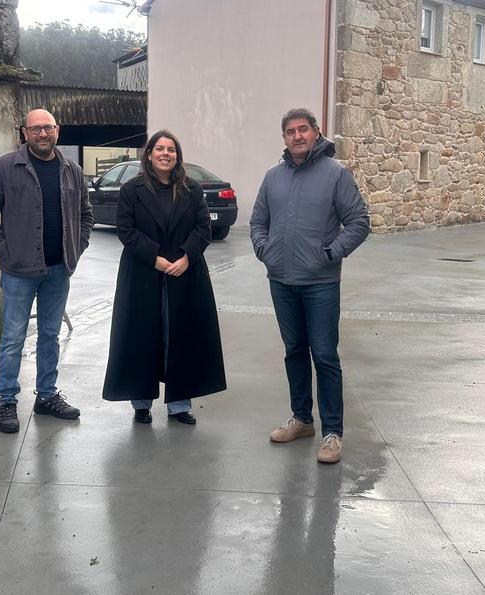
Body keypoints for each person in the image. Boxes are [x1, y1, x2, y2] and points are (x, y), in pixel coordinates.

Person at [250, 107, 370, 464]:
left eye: (304, 129)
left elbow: (359, 221)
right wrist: (264, 251)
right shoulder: (273, 177)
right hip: (281, 280)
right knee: (294, 351)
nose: (297, 136)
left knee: (325, 355)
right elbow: (258, 221)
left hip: (320, 282)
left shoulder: (336, 175)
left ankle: (333, 432)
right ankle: (301, 419)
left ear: (316, 133)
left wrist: (330, 253)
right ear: (284, 138)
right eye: (290, 131)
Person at [0, 108, 94, 433]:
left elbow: (86, 213)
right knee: (13, 339)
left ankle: (47, 396)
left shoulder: (72, 170)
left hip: (58, 270)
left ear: (58, 131)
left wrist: (76, 248)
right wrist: (4, 248)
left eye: (48, 128)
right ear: (24, 132)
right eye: (36, 129)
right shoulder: (5, 168)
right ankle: (7, 401)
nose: (43, 134)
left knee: (50, 336)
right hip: (19, 272)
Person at [102, 130, 226, 425]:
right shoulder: (132, 190)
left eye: (171, 149)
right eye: (160, 149)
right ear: (149, 154)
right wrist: (155, 257)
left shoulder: (191, 189)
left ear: (177, 156)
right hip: (143, 272)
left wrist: (186, 257)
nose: (165, 154)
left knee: (181, 336)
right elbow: (126, 230)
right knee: (142, 336)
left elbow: (203, 228)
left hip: (185, 273)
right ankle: (141, 402)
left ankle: (179, 404)